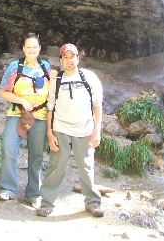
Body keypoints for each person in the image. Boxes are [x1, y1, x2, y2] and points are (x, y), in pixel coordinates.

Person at [36, 43, 104, 218]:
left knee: (86, 166)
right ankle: (47, 203)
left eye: (72, 56)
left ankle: (93, 202)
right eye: (65, 57)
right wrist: (50, 133)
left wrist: (97, 131)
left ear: (78, 59)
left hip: (85, 128)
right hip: (61, 128)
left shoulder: (89, 78)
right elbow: (50, 108)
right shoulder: (56, 81)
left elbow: (97, 106)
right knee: (56, 166)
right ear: (60, 61)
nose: (69, 60)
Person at [0, 32, 53, 206]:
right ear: (23, 49)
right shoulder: (15, 67)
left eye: (35, 47)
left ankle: (34, 193)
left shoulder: (45, 67)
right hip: (17, 113)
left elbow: (53, 88)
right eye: (28, 47)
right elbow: (4, 90)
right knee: (8, 147)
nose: (31, 50)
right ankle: (8, 188)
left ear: (39, 49)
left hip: (41, 115)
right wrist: (21, 100)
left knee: (36, 155)